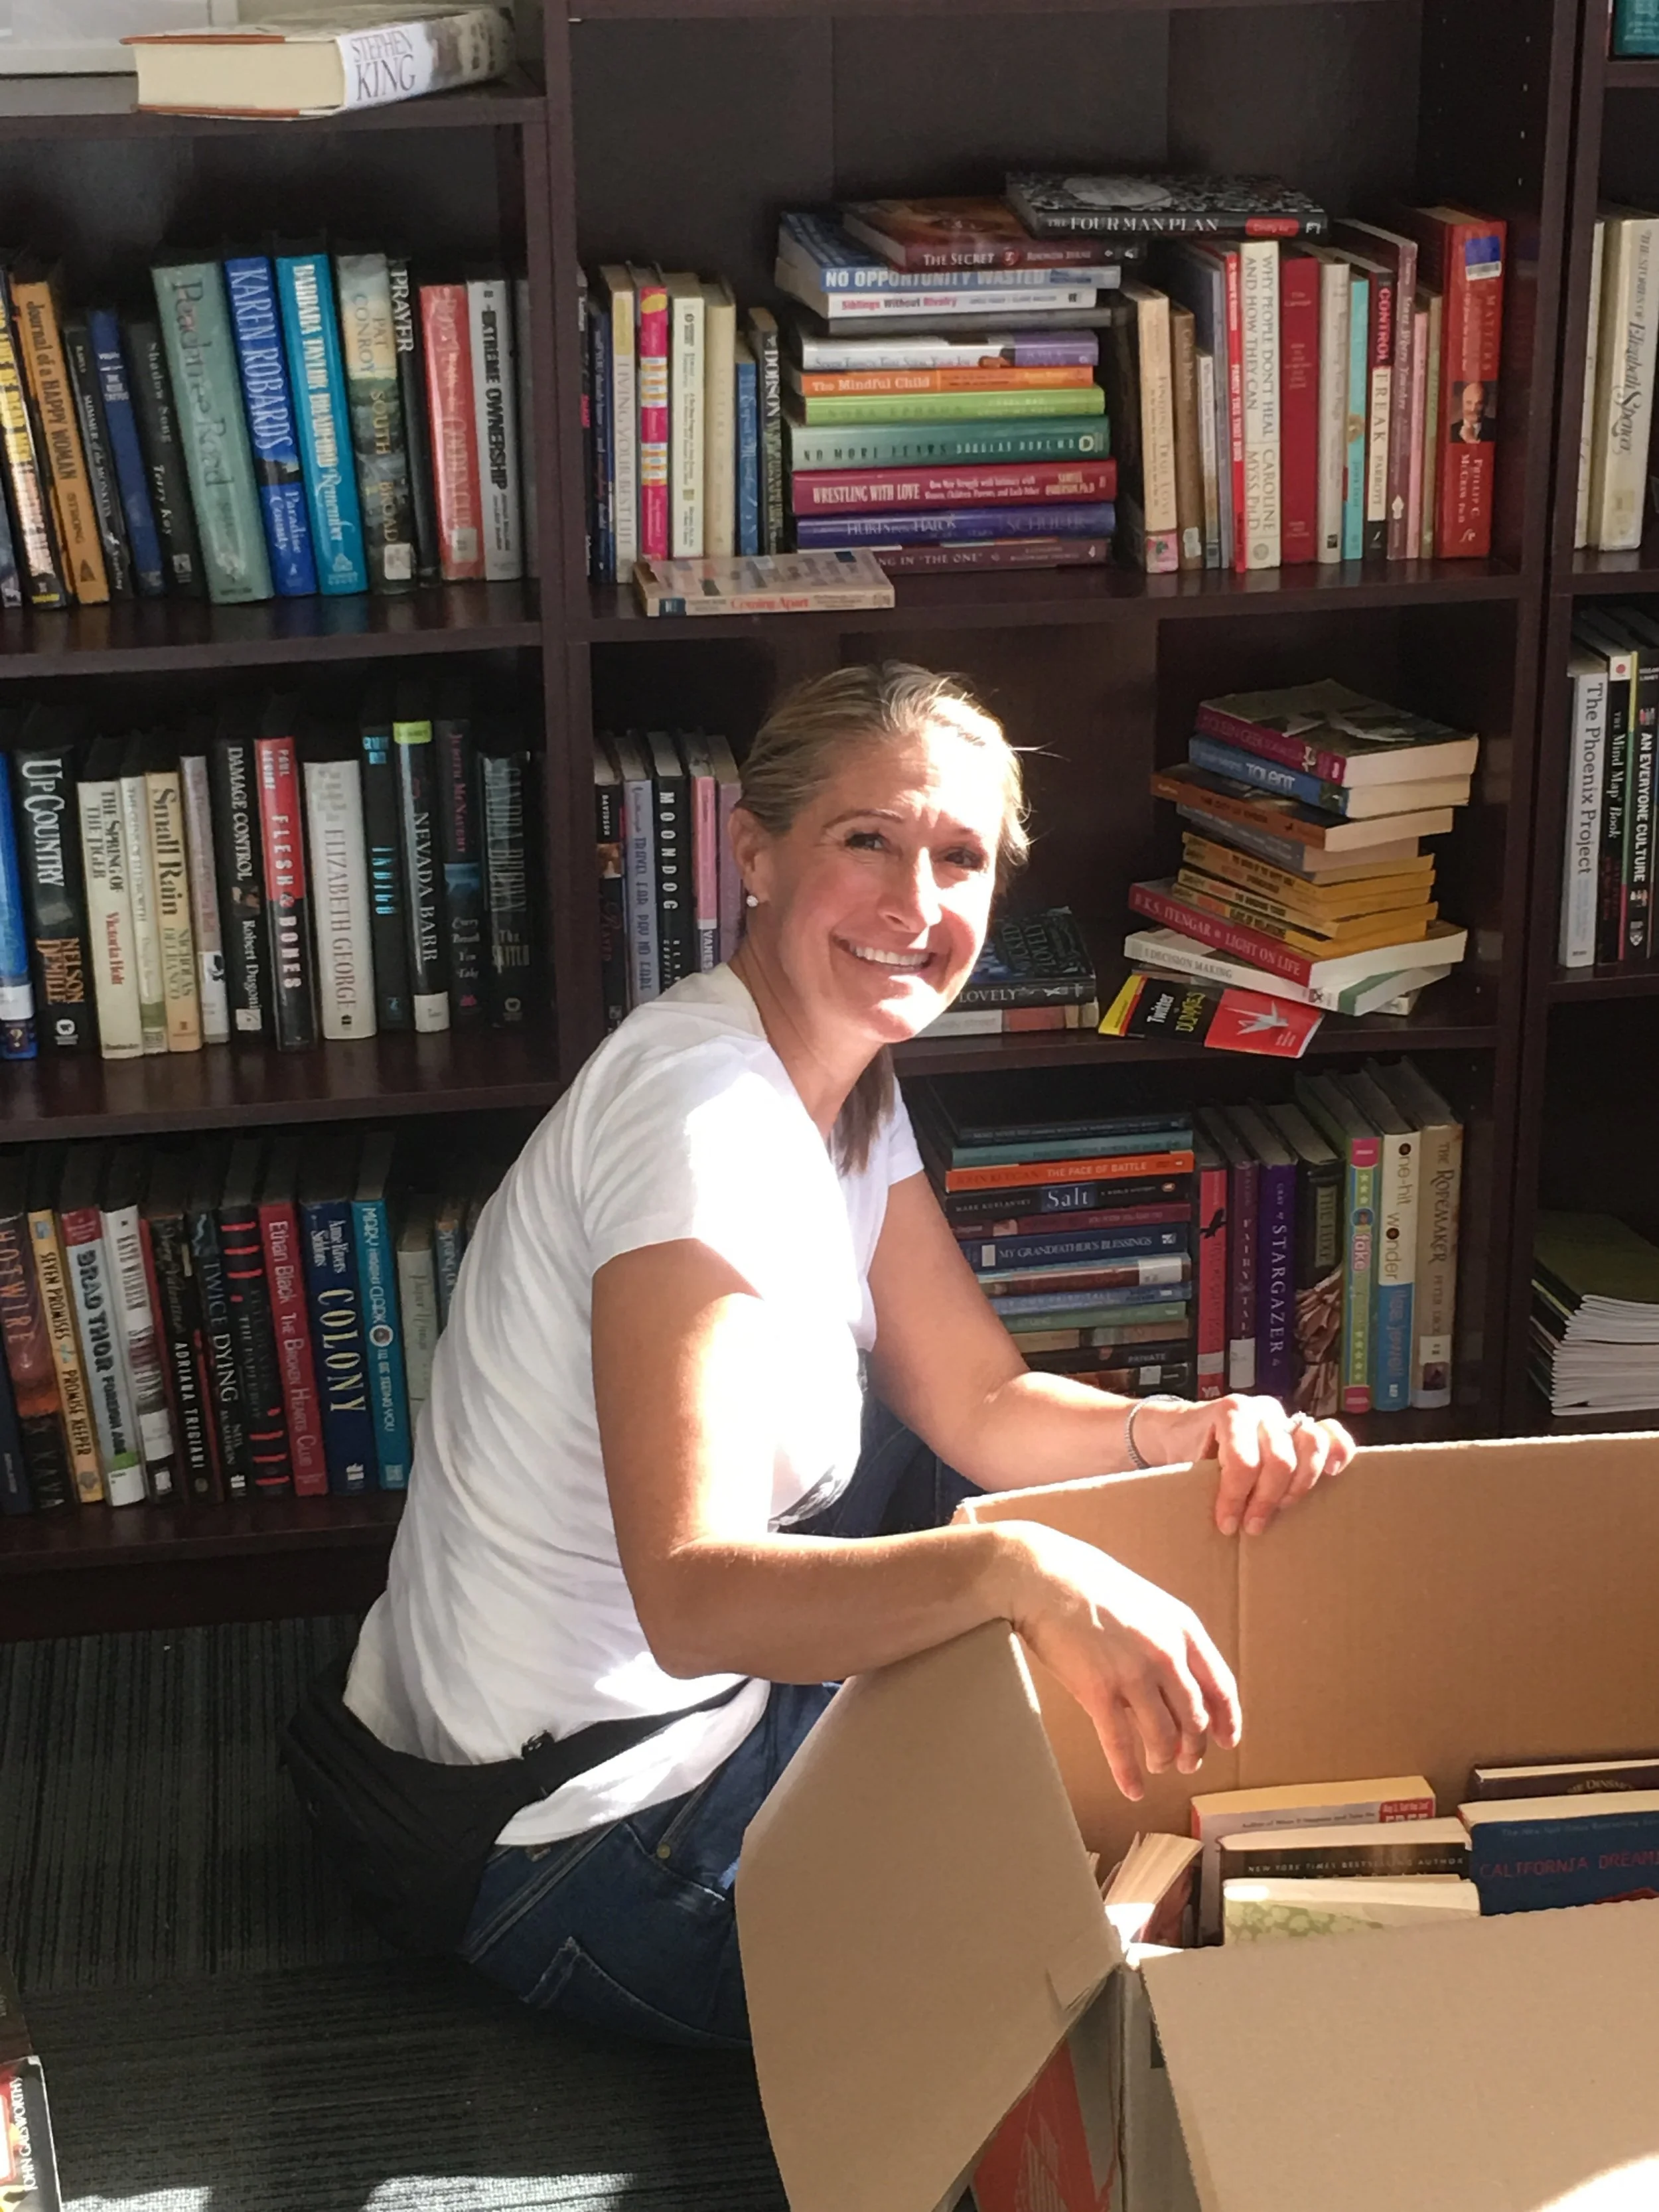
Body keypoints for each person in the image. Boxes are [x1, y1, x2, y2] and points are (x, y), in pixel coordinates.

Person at [338, 662, 1354, 2049]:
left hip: (584, 1737)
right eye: (863, 839)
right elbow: (692, 1595)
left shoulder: (833, 1075)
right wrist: (1019, 1569)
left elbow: (978, 1399)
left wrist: (1183, 1429)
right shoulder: (699, 1120)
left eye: (956, 858)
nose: (914, 907)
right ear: (753, 849)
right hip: (574, 1839)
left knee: (1093, 1532)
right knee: (1092, 1999)